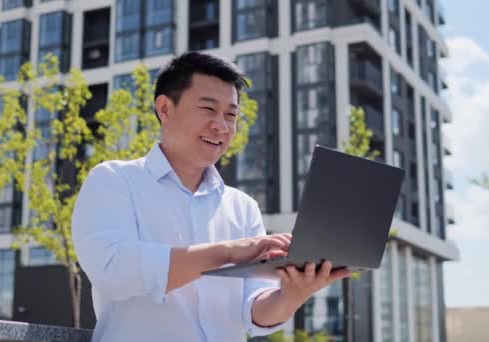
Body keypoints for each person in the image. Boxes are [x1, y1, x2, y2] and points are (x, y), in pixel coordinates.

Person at [71, 51, 351, 341]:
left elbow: (252, 312)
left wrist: (292, 295)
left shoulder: (243, 208)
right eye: (208, 109)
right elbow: (114, 272)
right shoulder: (114, 181)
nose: (221, 126)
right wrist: (228, 253)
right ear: (165, 109)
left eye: (231, 115)